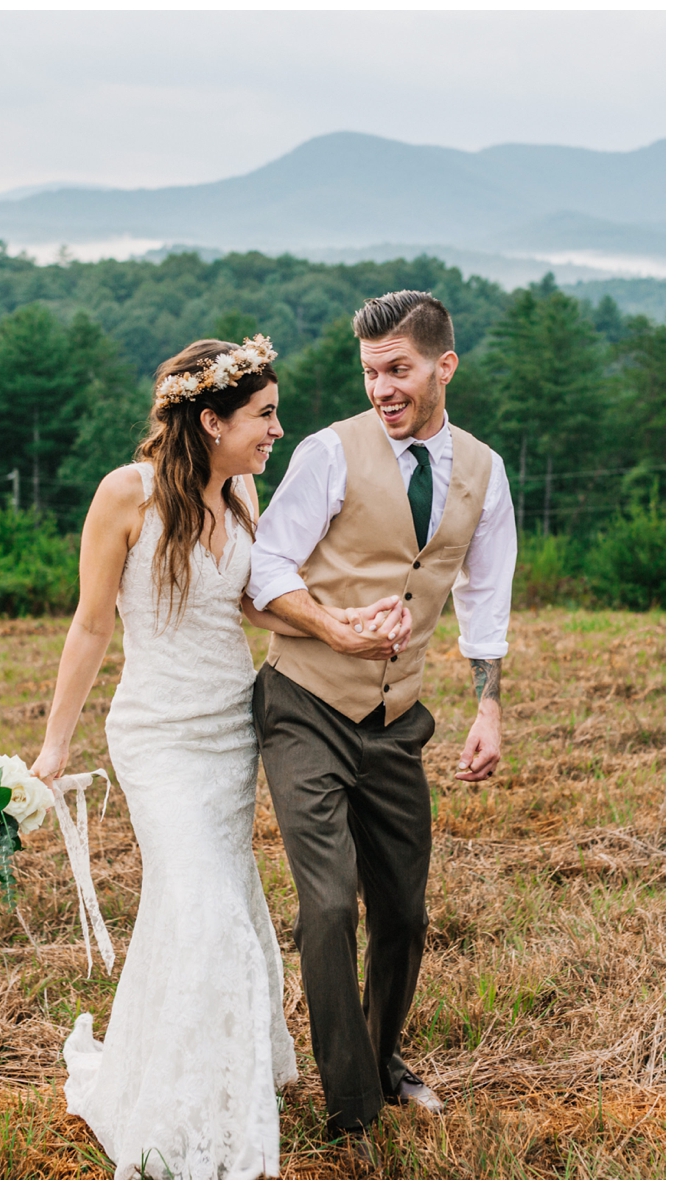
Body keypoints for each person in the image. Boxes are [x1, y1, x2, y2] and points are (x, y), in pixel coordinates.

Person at [30, 335, 323, 1180]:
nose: (276, 430)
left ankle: (206, 1073)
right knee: (204, 906)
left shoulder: (241, 491)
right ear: (211, 418)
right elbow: (90, 625)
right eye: (264, 416)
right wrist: (56, 744)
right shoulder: (125, 494)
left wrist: (341, 625)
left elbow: (257, 605)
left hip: (231, 729)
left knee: (214, 899)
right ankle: (174, 1112)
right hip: (157, 735)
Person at [247, 290, 517, 1166]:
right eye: (370, 373)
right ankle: (352, 1108)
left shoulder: (483, 470)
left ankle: (383, 1053)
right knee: (328, 907)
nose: (383, 390)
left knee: (403, 912)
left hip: (398, 721)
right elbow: (265, 571)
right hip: (304, 705)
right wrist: (334, 627)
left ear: (445, 365)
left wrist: (487, 704)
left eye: (398, 370)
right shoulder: (329, 453)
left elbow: (483, 594)